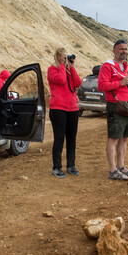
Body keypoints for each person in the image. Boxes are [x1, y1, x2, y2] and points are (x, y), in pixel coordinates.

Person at [98, 39, 128, 181]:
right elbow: (102, 85)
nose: (124, 52)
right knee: (113, 138)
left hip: (126, 106)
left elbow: (127, 84)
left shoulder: (127, 67)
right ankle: (113, 169)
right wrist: (120, 83)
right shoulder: (107, 66)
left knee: (124, 138)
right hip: (115, 105)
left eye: (126, 49)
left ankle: (121, 166)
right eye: (121, 49)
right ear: (114, 51)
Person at [47, 48, 82, 178]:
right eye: (62, 56)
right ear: (57, 57)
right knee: (59, 139)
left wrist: (71, 67)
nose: (65, 58)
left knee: (72, 139)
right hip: (58, 108)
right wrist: (62, 65)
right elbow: (61, 80)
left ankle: (71, 166)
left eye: (65, 56)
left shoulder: (68, 70)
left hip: (72, 108)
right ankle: (56, 167)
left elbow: (78, 83)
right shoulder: (52, 69)